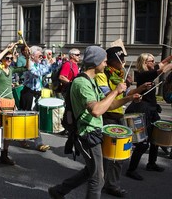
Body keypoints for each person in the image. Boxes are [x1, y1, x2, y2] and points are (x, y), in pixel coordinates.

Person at [48, 46, 140, 199]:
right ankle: (58, 191)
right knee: (97, 179)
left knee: (91, 171)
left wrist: (129, 98)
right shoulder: (82, 83)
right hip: (86, 134)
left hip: (95, 132)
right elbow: (96, 110)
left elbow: (108, 105)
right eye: (104, 61)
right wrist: (116, 91)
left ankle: (58, 191)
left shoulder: (91, 81)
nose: (106, 64)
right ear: (95, 62)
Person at [124, 53, 172, 180]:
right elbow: (163, 68)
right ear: (145, 63)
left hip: (152, 109)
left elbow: (162, 64)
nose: (155, 62)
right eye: (152, 61)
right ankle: (131, 169)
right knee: (142, 143)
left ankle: (151, 163)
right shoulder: (144, 74)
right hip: (143, 110)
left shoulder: (150, 70)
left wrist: (170, 57)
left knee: (156, 137)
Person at [95, 46, 133, 197]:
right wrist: (118, 89)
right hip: (107, 116)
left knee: (119, 154)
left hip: (119, 116)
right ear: (111, 61)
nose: (123, 62)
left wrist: (136, 91)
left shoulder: (119, 74)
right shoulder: (102, 75)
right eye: (121, 59)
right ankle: (105, 183)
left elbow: (126, 95)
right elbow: (107, 98)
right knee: (108, 154)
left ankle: (110, 182)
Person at [0, 43, 29, 165]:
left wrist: (27, 57)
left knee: (8, 131)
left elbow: (26, 68)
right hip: (0, 102)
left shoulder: (11, 69)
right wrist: (7, 49)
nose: (9, 60)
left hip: (10, 102)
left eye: (11, 58)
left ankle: (4, 153)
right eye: (7, 58)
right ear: (4, 59)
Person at [19, 45, 52, 152]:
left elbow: (49, 71)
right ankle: (38, 143)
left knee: (32, 118)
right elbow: (38, 73)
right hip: (28, 94)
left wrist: (47, 60)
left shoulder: (39, 64)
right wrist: (47, 64)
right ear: (32, 56)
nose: (41, 57)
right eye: (39, 55)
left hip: (37, 94)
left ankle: (24, 138)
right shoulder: (29, 65)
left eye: (41, 55)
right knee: (29, 118)